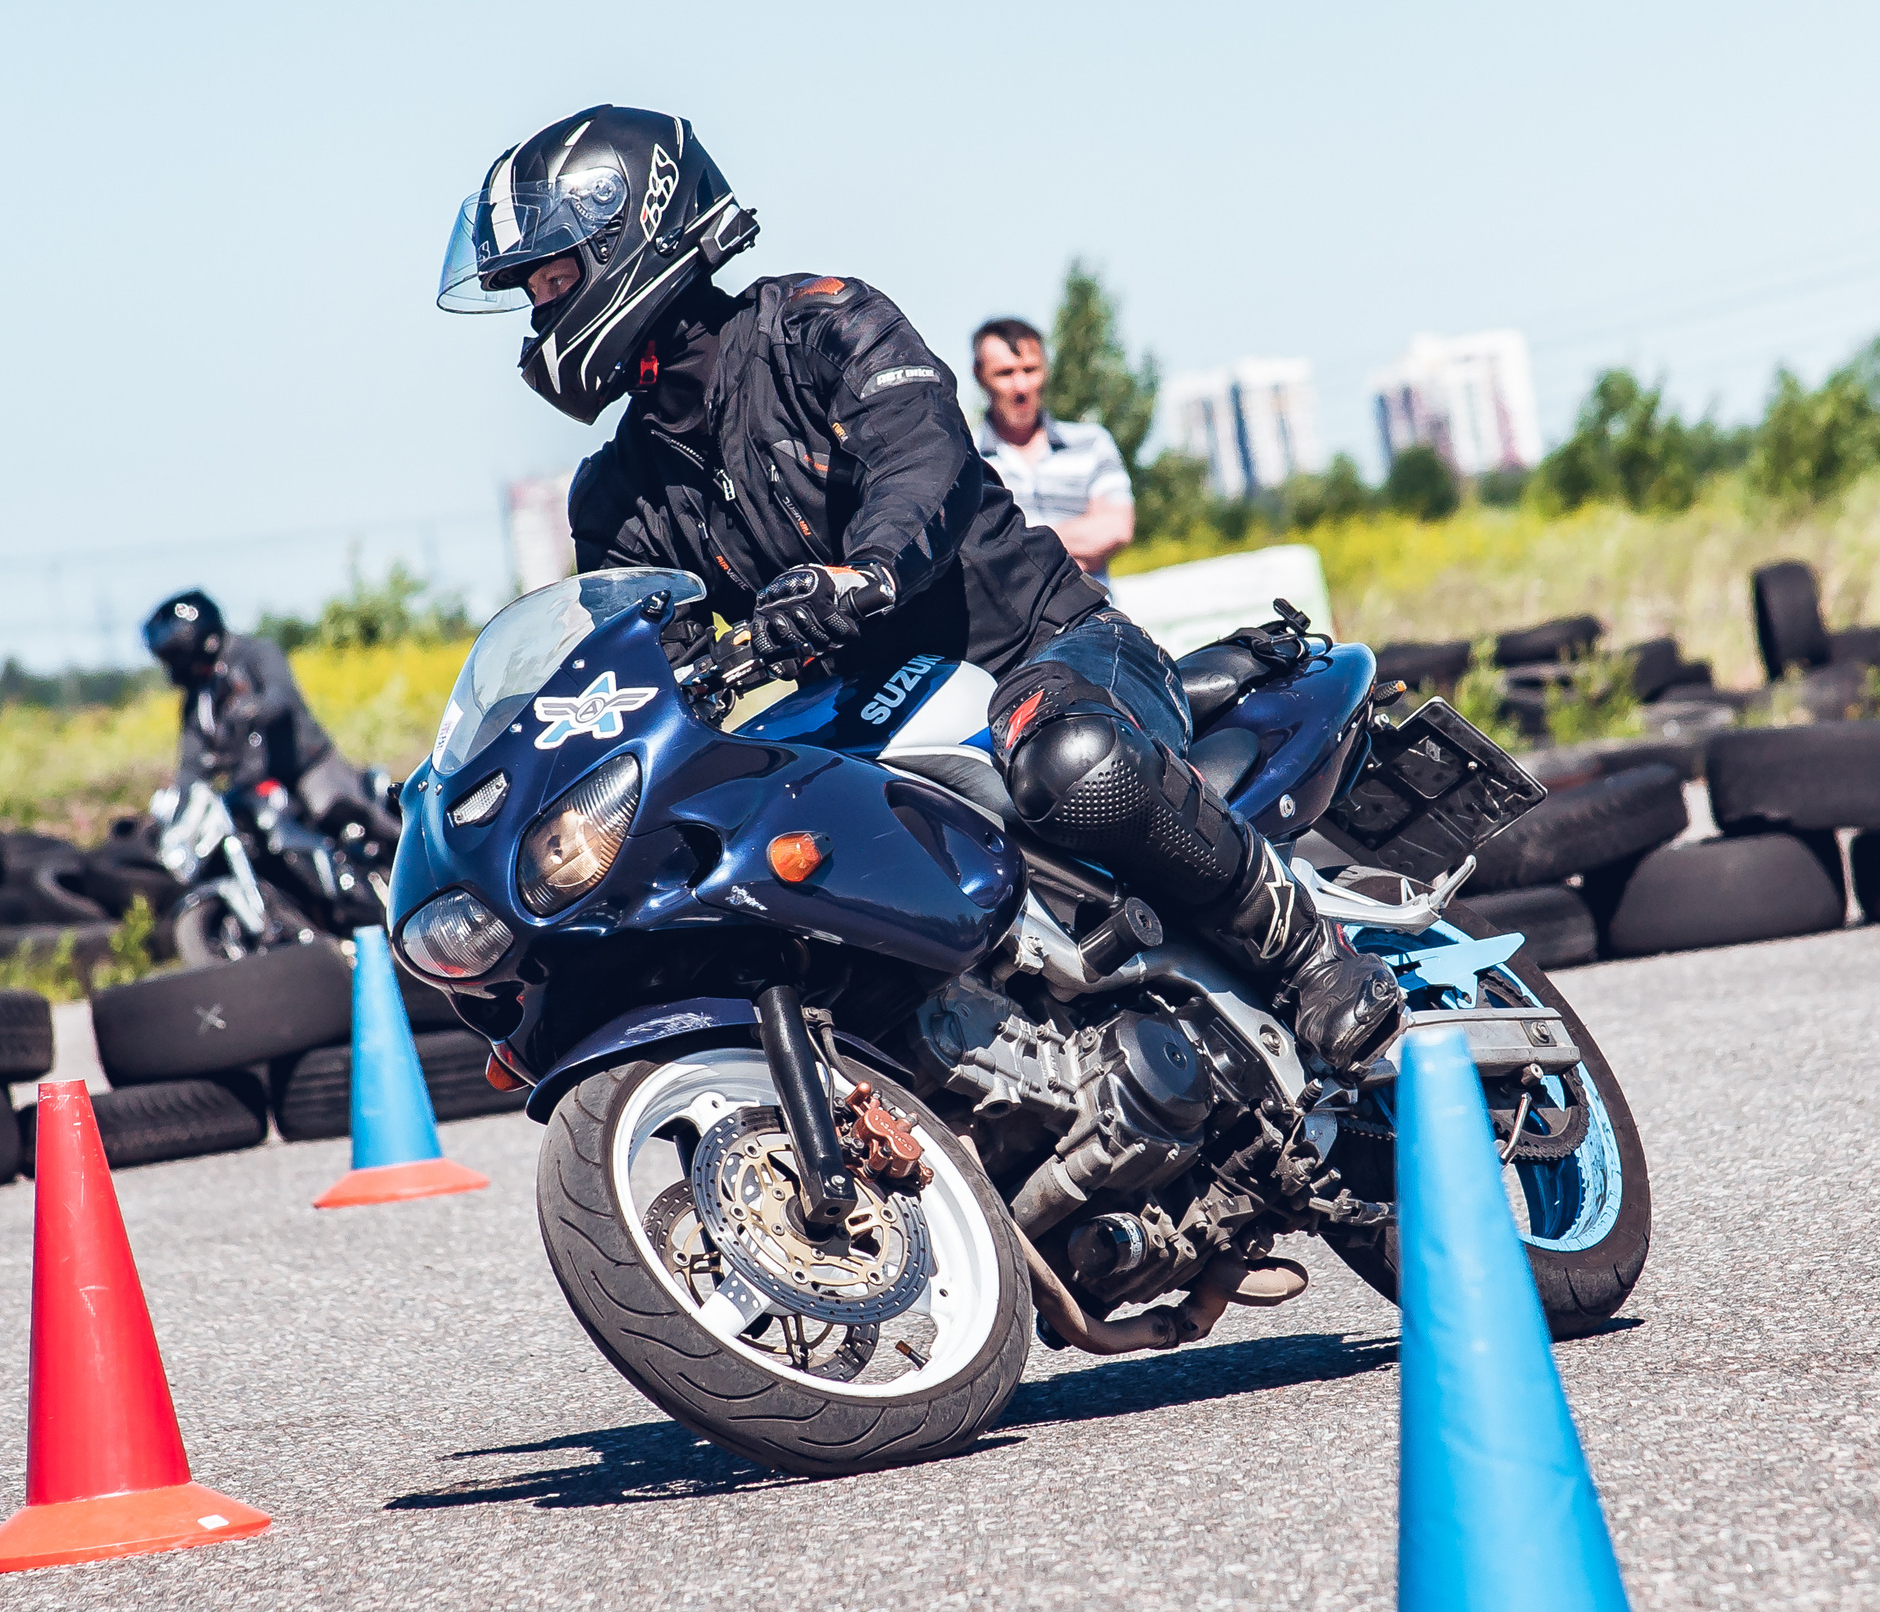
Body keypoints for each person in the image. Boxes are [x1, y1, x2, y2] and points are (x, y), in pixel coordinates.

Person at [433, 107, 1399, 1073]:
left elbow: (923, 464)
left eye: (553, 277)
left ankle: (1311, 953)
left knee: (1062, 755)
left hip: (1042, 648)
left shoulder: (821, 325)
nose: (539, 308)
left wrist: (867, 571)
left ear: (631, 238)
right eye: (529, 290)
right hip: (876, 714)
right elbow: (647, 655)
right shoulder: (616, 496)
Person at [141, 589, 367, 831]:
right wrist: (178, 817)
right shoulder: (197, 700)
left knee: (346, 821)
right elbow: (191, 764)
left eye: (176, 656)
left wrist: (246, 710)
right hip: (250, 786)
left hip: (306, 767)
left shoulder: (256, 653)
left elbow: (281, 698)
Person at [969, 318, 1135, 575]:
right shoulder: (965, 460)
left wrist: (1013, 546)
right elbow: (967, 552)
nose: (1021, 387)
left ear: (1046, 370)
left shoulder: (1092, 442)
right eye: (1005, 373)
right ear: (979, 376)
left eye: (1030, 370)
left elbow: (1117, 528)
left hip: (1093, 613)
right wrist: (1074, 551)